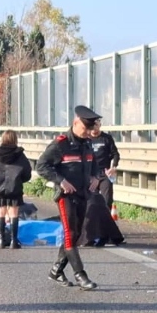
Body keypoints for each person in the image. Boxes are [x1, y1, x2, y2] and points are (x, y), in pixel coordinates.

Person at [36, 105, 100, 290]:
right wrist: (60, 180)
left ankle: (56, 271)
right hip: (66, 196)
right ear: (75, 123)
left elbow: (94, 163)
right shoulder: (61, 144)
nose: (88, 133)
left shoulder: (87, 143)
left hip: (83, 194)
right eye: (85, 129)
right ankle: (81, 275)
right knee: (70, 234)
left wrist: (96, 177)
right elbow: (42, 165)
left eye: (90, 129)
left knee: (77, 234)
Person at [0, 130, 32, 249]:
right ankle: (14, 241)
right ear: (15, 139)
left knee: (1, 212)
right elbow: (27, 172)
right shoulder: (20, 155)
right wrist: (19, 180)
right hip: (15, 188)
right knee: (13, 213)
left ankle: (2, 240)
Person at [89, 119, 120, 207]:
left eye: (96, 125)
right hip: (91, 175)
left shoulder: (106, 138)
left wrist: (114, 167)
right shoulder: (86, 139)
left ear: (100, 125)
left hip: (104, 173)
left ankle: (106, 219)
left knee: (107, 200)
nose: (94, 127)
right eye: (92, 125)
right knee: (92, 202)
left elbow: (115, 154)